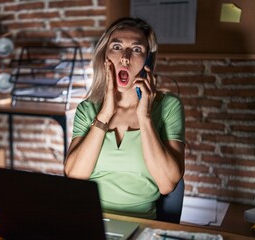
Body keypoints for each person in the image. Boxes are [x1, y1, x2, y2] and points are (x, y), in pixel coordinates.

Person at [64, 17, 185, 219]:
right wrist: (104, 114)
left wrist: (144, 116)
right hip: (88, 221)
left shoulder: (169, 106)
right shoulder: (88, 109)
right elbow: (75, 176)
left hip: (142, 223)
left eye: (136, 49)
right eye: (117, 47)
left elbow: (166, 184)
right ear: (105, 56)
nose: (125, 57)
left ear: (148, 60)